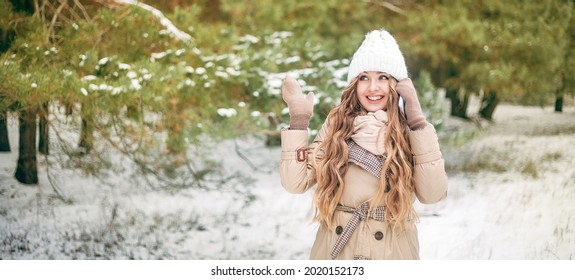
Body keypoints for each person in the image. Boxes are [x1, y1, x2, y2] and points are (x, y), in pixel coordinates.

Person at [279, 28, 448, 260]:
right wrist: (298, 123)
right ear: (354, 84)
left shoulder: (410, 130)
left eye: (383, 77)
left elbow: (432, 194)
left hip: (392, 252)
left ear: (397, 84)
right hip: (338, 251)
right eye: (364, 78)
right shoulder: (337, 124)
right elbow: (295, 183)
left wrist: (418, 123)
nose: (372, 88)